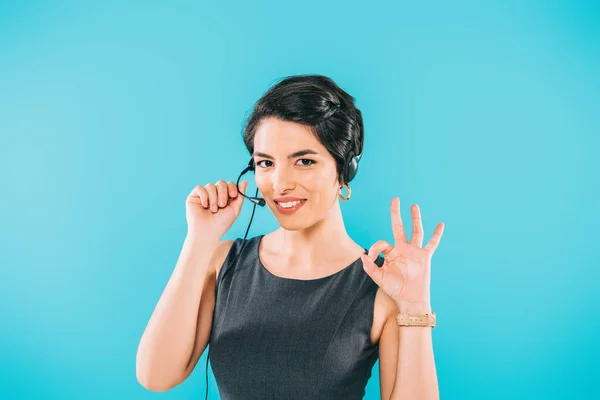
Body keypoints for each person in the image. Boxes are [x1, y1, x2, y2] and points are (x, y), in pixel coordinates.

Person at [136, 74, 444, 399]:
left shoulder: (383, 285)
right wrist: (199, 240)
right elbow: (156, 376)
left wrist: (415, 305)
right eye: (266, 163)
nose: (280, 183)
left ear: (345, 170)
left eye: (304, 161)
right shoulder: (222, 262)